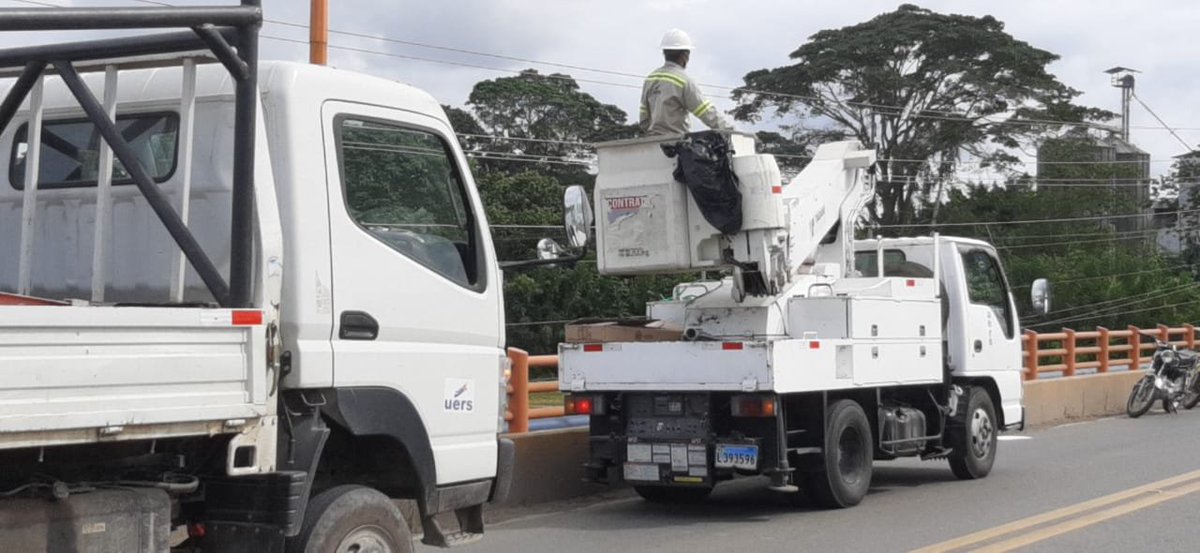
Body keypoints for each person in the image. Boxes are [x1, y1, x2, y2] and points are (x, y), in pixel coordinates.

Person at [640, 29, 731, 136]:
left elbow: (644, 118)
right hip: (676, 142)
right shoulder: (683, 81)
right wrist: (732, 131)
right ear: (685, 55)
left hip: (652, 141)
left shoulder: (650, 79)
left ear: (664, 53)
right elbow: (706, 113)